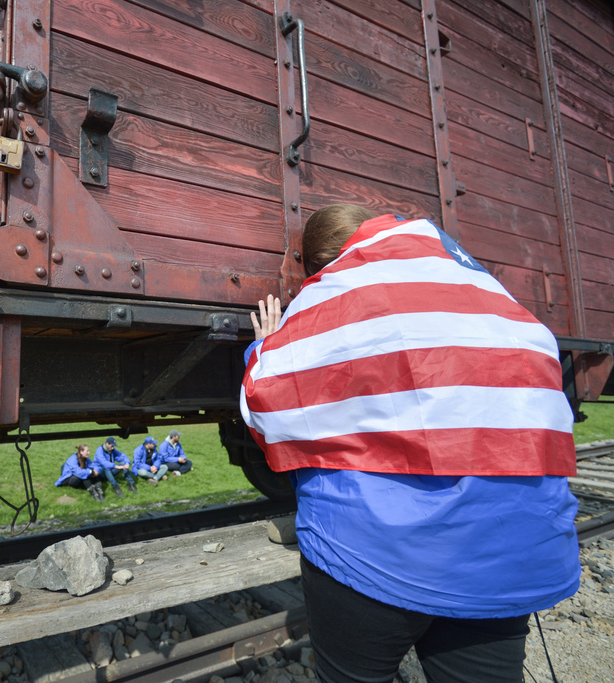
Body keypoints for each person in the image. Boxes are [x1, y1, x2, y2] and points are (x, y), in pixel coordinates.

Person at [241, 204, 580, 683]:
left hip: (377, 557)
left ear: (321, 264)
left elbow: (270, 412)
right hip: (510, 556)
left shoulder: (342, 290)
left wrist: (266, 347)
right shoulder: (489, 292)